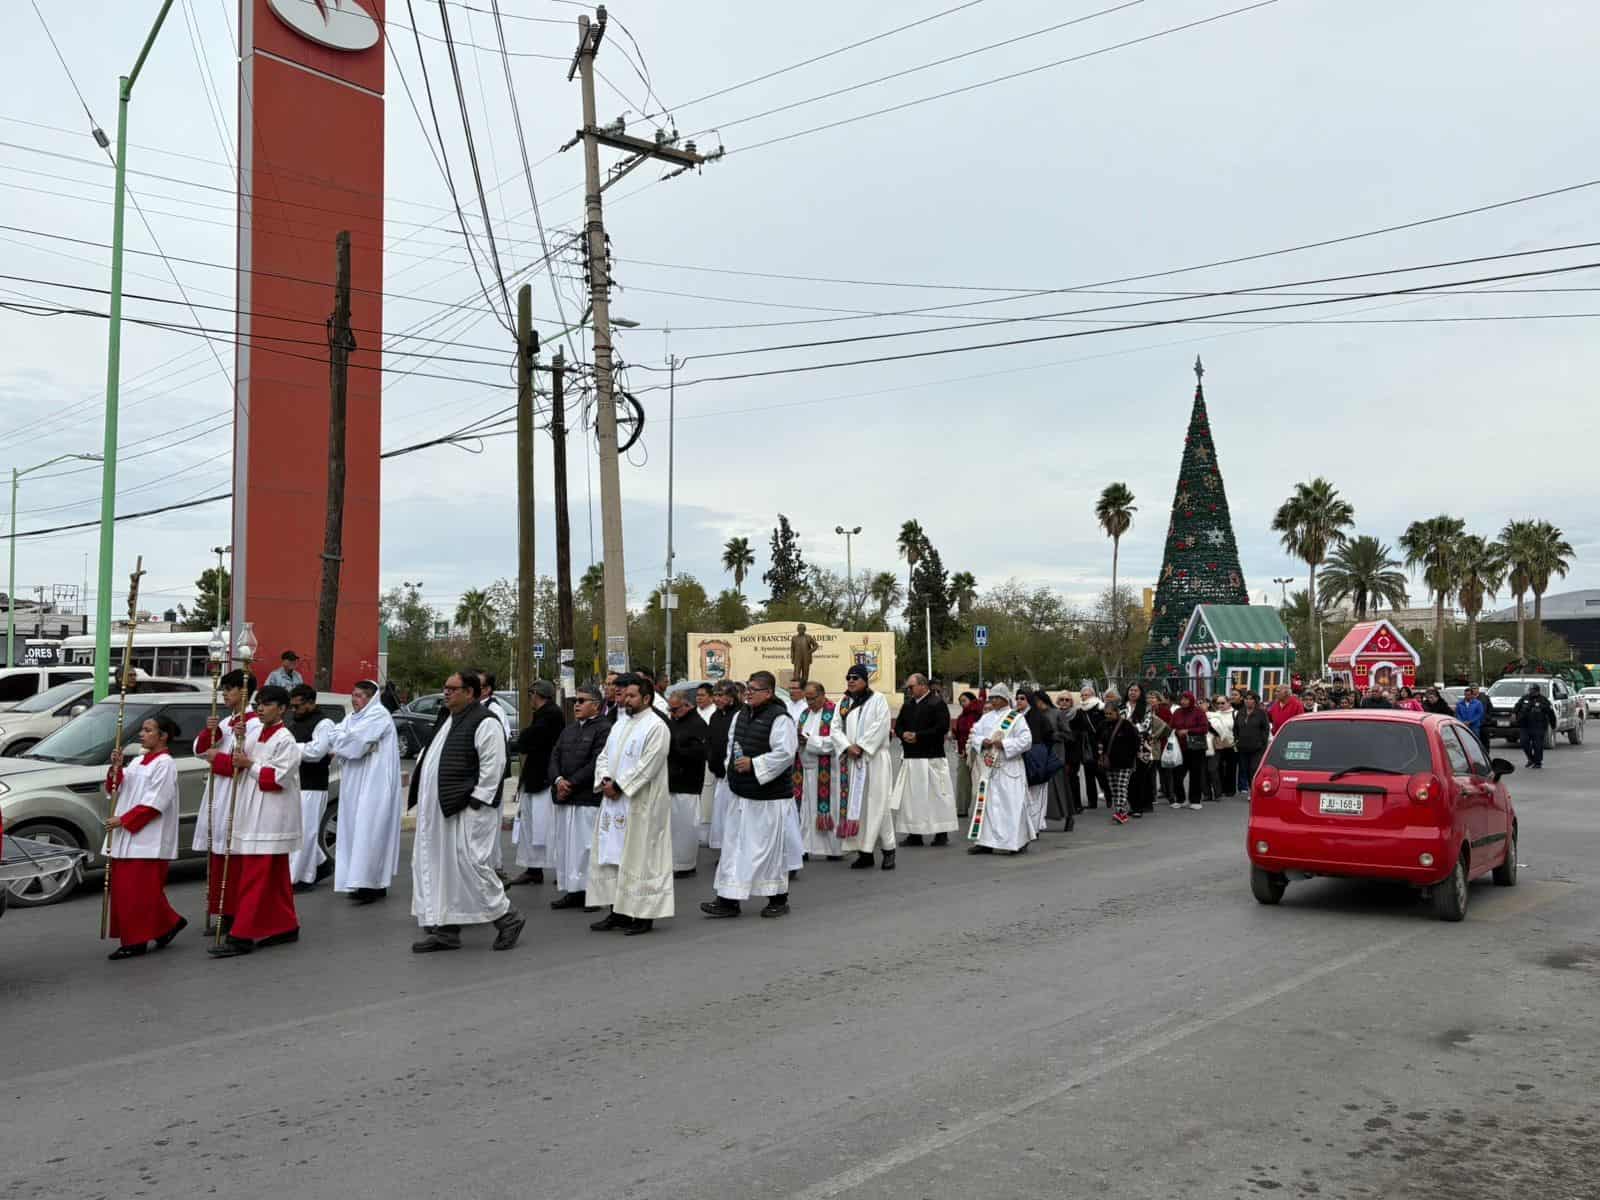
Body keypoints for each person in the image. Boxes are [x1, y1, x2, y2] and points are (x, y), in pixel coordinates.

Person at [407, 671, 525, 954]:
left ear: (470, 693)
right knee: (440, 869)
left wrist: (476, 801)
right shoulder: (448, 719)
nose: (446, 693)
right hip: (441, 812)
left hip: (466, 810)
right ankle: (445, 930)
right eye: (445, 688)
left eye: (453, 689)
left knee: (471, 867)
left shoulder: (485, 722)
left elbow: (493, 766)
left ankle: (507, 918)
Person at [209, 684, 304, 959]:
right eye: (259, 703)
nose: (260, 708)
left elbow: (276, 779)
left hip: (271, 816)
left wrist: (249, 764)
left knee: (256, 877)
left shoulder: (286, 740)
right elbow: (237, 764)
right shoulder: (256, 733)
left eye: (267, 704)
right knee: (274, 877)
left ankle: (242, 935)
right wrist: (235, 745)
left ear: (283, 709)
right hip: (252, 812)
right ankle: (285, 925)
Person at [702, 671, 800, 919]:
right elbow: (731, 745)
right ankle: (728, 899)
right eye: (747, 688)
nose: (747, 693)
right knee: (734, 847)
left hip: (768, 797)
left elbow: (785, 753)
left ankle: (777, 898)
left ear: (768, 693)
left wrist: (755, 765)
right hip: (740, 792)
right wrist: (731, 768)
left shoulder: (780, 719)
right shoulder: (741, 715)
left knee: (766, 851)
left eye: (753, 689)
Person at [588, 673, 674, 935]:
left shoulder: (656, 727)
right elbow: (604, 755)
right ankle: (618, 910)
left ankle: (644, 914)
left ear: (646, 698)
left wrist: (621, 786)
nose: (625, 699)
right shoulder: (620, 724)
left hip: (641, 804)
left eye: (631, 695)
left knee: (642, 858)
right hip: (614, 802)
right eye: (624, 695)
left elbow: (648, 765)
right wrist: (605, 780)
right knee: (614, 857)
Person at [101, 715, 187, 960]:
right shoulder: (138, 761)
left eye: (148, 730)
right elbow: (117, 788)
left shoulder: (165, 764)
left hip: (148, 836)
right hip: (127, 836)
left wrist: (124, 820)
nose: (142, 734)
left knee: (137, 893)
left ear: (163, 736)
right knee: (130, 891)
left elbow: (157, 801)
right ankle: (168, 924)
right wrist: (115, 769)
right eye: (143, 729)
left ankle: (137, 941)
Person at [320, 679, 403, 904]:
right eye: (353, 695)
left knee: (371, 831)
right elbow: (337, 737)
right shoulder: (352, 717)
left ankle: (372, 884)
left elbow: (354, 746)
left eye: (358, 696)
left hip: (375, 784)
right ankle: (358, 881)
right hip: (354, 783)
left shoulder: (378, 715)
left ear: (370, 697)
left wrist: (344, 743)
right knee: (352, 830)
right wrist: (344, 742)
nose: (353, 700)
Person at [193, 669, 259, 936]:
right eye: (222, 690)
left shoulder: (253, 725)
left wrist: (214, 757)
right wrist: (210, 733)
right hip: (218, 793)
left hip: (236, 793)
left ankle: (232, 913)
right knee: (218, 857)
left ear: (243, 692)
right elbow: (199, 750)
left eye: (228, 690)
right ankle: (220, 910)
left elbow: (242, 762)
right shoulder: (227, 722)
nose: (223, 695)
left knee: (233, 859)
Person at [547, 684, 611, 911]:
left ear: (596, 704)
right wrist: (558, 781)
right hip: (565, 797)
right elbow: (554, 755)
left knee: (586, 847)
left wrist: (572, 783)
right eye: (576, 701)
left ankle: (590, 891)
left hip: (586, 798)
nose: (577, 704)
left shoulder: (604, 729)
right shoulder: (569, 729)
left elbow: (597, 762)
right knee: (566, 847)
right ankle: (572, 890)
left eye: (582, 701)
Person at [832, 663, 896, 870]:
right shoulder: (843, 702)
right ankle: (864, 853)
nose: (850, 681)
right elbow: (835, 728)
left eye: (855, 677)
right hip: (853, 760)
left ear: (865, 680)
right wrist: (847, 746)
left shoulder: (877, 700)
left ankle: (889, 849)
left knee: (879, 804)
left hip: (874, 758)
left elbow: (882, 725)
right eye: (848, 677)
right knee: (858, 806)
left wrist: (862, 746)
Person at [508, 681, 565, 888]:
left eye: (531, 694)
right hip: (534, 776)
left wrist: (523, 738)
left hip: (544, 777)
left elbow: (529, 739)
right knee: (530, 827)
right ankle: (533, 869)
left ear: (537, 694)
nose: (529, 698)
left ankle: (562, 870)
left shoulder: (551, 714)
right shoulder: (542, 714)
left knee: (547, 827)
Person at [892, 672, 958, 847]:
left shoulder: (937, 704)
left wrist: (918, 736)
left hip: (931, 757)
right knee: (912, 798)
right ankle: (915, 833)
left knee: (937, 796)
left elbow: (942, 727)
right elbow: (898, 725)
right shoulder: (908, 705)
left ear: (922, 685)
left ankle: (941, 832)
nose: (909, 691)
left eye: (911, 687)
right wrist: (902, 734)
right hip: (912, 758)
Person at [966, 686, 1033, 854]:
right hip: (989, 768)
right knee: (987, 805)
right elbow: (974, 734)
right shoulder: (985, 717)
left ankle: (1014, 842)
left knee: (1010, 805)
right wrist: (983, 742)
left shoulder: (1016, 718)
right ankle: (985, 841)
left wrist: (1004, 744)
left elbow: (1026, 740)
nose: (993, 700)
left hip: (1009, 766)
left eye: (996, 697)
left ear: (1005, 699)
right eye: (991, 697)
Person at [285, 684, 337, 892]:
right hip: (296, 781)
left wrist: (292, 748)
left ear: (311, 703)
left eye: (298, 706)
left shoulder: (324, 723)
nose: (294, 710)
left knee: (305, 832)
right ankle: (321, 864)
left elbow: (317, 751)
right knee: (297, 829)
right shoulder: (295, 722)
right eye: (292, 706)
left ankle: (299, 878)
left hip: (313, 784)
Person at [795, 681, 843, 859]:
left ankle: (833, 850)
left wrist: (810, 741)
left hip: (827, 771)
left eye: (812, 699)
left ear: (823, 695)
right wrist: (799, 741)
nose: (809, 703)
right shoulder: (804, 714)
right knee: (807, 810)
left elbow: (835, 741)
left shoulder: (835, 713)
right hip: (806, 770)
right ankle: (805, 847)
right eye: (806, 699)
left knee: (829, 808)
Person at [665, 685, 707, 877]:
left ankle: (686, 864)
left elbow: (698, 754)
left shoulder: (697, 725)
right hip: (671, 780)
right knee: (673, 827)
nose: (672, 713)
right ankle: (673, 862)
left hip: (688, 781)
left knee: (686, 826)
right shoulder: (673, 722)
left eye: (675, 709)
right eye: (670, 710)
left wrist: (675, 749)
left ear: (686, 706)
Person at [705, 680, 739, 849]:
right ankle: (725, 850)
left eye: (720, 695)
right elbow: (710, 742)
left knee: (733, 817)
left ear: (731, 697)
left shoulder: (740, 714)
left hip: (735, 774)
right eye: (715, 695)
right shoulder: (715, 716)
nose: (716, 699)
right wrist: (712, 761)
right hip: (720, 773)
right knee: (721, 815)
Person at [1097, 696, 1141, 825]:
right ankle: (1120, 811)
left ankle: (1121, 812)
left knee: (1122, 787)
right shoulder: (1103, 725)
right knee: (1114, 788)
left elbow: (1135, 742)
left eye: (1110, 713)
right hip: (1109, 763)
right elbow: (1098, 741)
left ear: (1117, 712)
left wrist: (1130, 757)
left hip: (1125, 763)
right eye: (1106, 714)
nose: (1108, 716)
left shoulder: (1126, 725)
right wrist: (1100, 755)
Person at [1167, 692, 1211, 811]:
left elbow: (1204, 728)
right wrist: (1177, 731)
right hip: (1180, 749)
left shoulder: (1198, 712)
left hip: (1196, 749)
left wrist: (1188, 731)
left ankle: (1195, 800)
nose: (1183, 701)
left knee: (1195, 775)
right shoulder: (1177, 712)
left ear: (1191, 700)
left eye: (1186, 699)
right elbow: (1171, 727)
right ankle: (1180, 799)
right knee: (1177, 774)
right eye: (1182, 699)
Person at [1021, 691, 1057, 836]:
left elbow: (1050, 736)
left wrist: (1041, 752)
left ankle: (1036, 825)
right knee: (1027, 795)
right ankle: (1029, 826)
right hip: (1022, 760)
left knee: (1038, 794)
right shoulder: (1016, 717)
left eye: (1022, 698)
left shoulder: (1040, 718)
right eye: (1016, 698)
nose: (1019, 701)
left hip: (1037, 758)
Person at [953, 691, 984, 819]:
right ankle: (961, 808)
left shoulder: (979, 713)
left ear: (972, 700)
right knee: (962, 781)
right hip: (962, 752)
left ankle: (982, 809)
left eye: (964, 700)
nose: (962, 703)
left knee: (979, 780)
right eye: (960, 702)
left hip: (976, 752)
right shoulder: (963, 715)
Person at [1233, 692, 1272, 791]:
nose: (1248, 701)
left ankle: (1255, 790)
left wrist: (1262, 743)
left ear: (1255, 700)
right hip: (1243, 746)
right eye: (1246, 698)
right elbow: (1236, 728)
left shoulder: (1261, 713)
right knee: (1245, 769)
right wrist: (1237, 739)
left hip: (1257, 748)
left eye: (1250, 699)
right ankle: (1252, 789)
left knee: (1254, 769)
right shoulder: (1240, 712)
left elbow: (1266, 729)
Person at [1077, 685, 1108, 808]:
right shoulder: (1080, 710)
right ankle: (1092, 801)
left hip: (1098, 743)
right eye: (1083, 695)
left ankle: (1108, 794)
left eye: (1087, 695)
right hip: (1086, 745)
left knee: (1101, 772)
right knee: (1088, 773)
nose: (1084, 697)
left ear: (1093, 695)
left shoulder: (1100, 707)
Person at [1512, 684, 1556, 769]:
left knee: (1538, 745)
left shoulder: (1543, 700)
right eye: (1530, 690)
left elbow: (1550, 713)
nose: (1531, 692)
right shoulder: (1524, 698)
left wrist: (1553, 725)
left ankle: (1538, 762)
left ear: (1537, 691)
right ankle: (1531, 759)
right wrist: (1514, 713)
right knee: (1524, 742)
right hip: (1525, 725)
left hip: (1538, 726)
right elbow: (1517, 706)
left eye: (1533, 690)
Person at [1208, 695, 1236, 801]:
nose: (1220, 705)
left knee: (1230, 768)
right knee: (1218, 768)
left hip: (1231, 744)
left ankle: (1230, 789)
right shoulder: (1215, 714)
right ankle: (1221, 789)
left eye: (1222, 703)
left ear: (1229, 703)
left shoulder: (1235, 713)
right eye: (1218, 703)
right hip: (1218, 745)